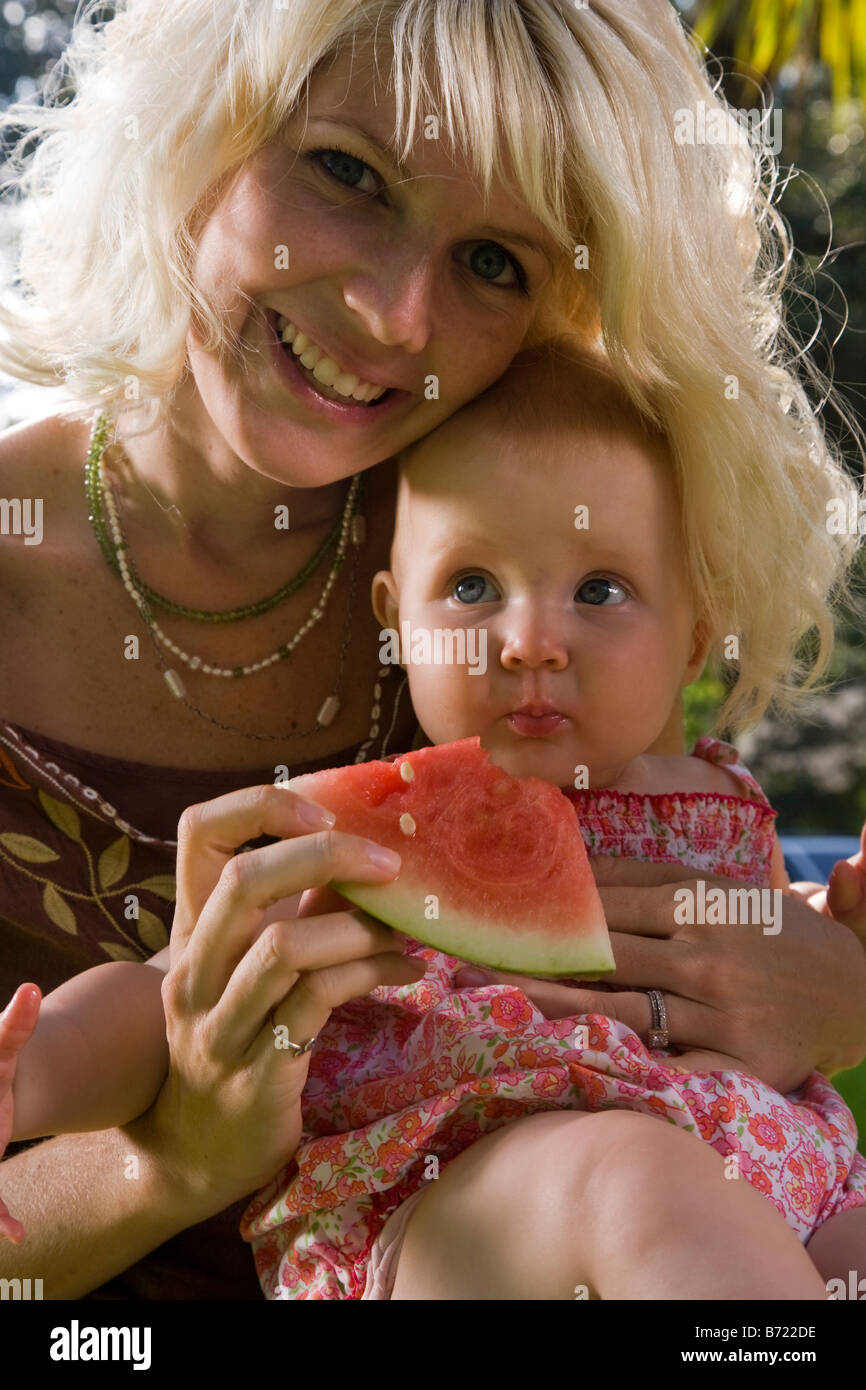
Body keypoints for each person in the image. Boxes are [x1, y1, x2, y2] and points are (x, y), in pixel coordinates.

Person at [1, 0, 865, 1301]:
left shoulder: (506, 550)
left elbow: (639, 910)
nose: (395, 316)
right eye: (346, 171)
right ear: (194, 134)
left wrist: (828, 980)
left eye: (495, 262)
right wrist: (165, 1163)